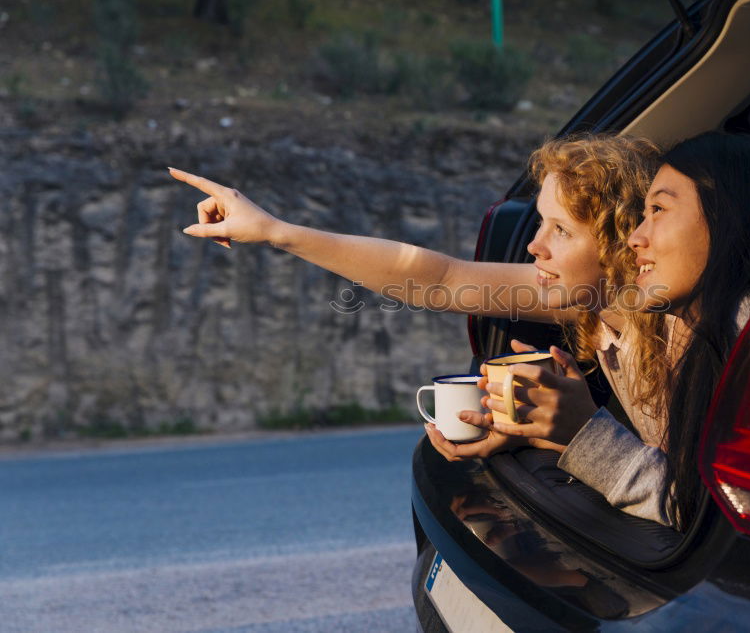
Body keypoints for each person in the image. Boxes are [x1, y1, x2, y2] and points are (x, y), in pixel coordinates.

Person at [169, 134, 662, 457]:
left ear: (623, 244)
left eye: (562, 230)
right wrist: (276, 231)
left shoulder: (680, 330)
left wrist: (579, 434)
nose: (535, 245)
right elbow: (439, 279)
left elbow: (683, 496)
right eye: (540, 221)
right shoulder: (589, 302)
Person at [480, 132, 750, 530]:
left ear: (728, 216)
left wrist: (585, 433)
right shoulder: (715, 317)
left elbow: (702, 512)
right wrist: (541, 429)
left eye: (658, 210)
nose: (636, 236)